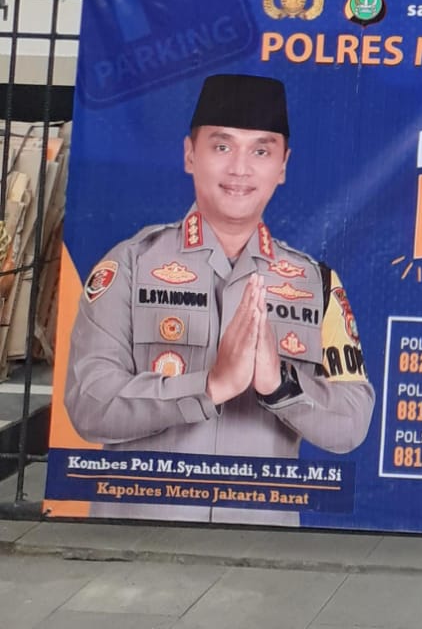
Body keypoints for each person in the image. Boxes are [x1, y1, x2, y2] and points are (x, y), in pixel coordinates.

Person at [65, 74, 374, 523]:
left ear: (283, 165)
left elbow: (352, 423)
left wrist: (280, 386)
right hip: (135, 537)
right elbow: (89, 405)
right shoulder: (128, 265)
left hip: (259, 544)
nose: (240, 169)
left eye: (261, 151)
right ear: (190, 154)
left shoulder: (318, 283)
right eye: (222, 146)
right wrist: (208, 386)